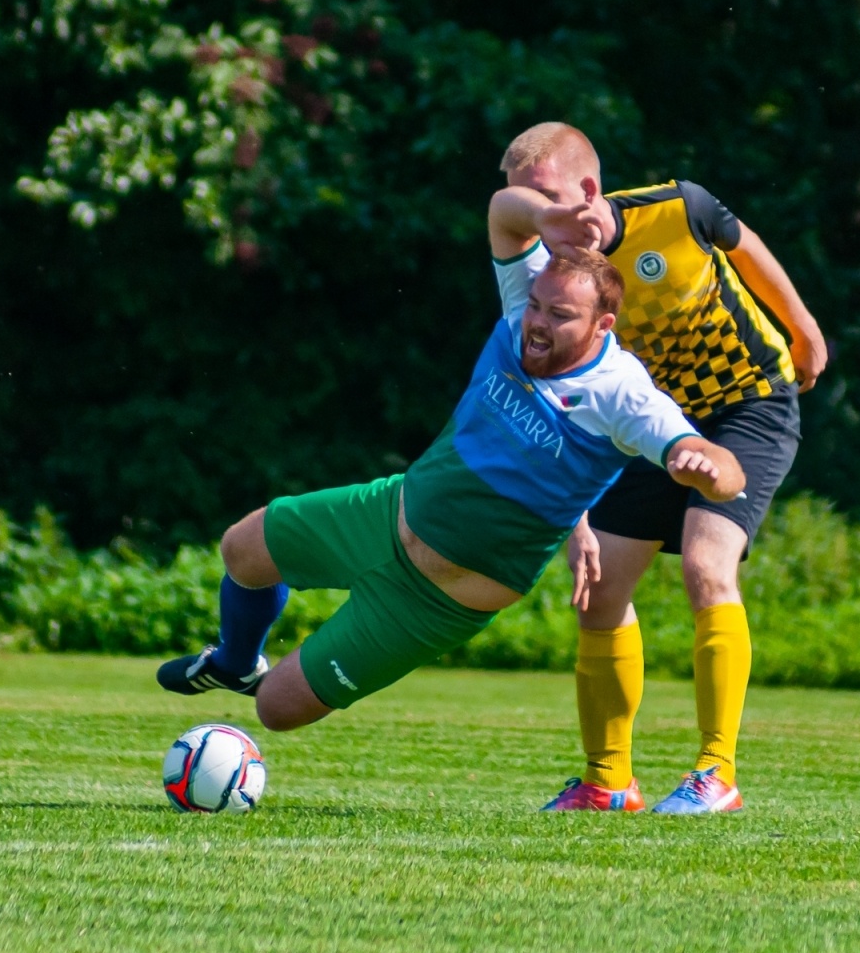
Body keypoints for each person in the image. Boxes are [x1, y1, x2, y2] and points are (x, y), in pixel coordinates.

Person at [158, 243, 745, 773]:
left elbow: (713, 462)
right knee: (242, 547)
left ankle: (258, 681)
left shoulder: (624, 394)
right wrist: (546, 216)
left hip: (434, 601)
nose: (537, 323)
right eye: (538, 305)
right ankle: (235, 660)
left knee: (275, 709)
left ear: (603, 324)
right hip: (389, 514)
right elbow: (507, 207)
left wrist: (707, 467)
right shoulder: (520, 312)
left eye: (560, 315)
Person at [490, 122, 828, 814]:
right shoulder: (547, 282)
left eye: (547, 198)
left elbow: (746, 245)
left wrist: (803, 330)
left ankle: (717, 774)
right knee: (598, 590)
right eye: (523, 201)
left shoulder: (678, 208)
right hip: (651, 426)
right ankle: (607, 782)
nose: (538, 216)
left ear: (588, 192)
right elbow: (556, 403)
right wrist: (575, 518)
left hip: (747, 403)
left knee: (708, 567)